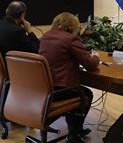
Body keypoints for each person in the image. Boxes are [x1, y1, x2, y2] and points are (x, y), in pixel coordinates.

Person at [39, 12, 100, 143]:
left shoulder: (45, 36)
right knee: (86, 94)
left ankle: (76, 130)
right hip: (61, 89)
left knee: (81, 93)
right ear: (73, 26)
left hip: (46, 87)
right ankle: (74, 134)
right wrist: (96, 57)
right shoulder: (70, 39)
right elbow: (90, 65)